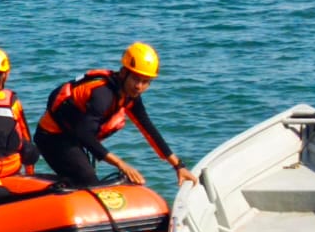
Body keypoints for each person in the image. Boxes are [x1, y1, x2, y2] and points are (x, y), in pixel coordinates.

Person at [34, 42, 199, 189]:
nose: (139, 86)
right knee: (89, 182)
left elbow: (149, 130)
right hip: (51, 137)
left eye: (146, 81)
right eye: (136, 78)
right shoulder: (103, 95)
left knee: (87, 178)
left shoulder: (129, 97)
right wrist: (121, 165)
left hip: (72, 136)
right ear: (123, 73)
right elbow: (84, 134)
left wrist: (178, 166)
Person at [0, 46, 39, 178]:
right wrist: (30, 176)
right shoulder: (14, 103)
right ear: (6, 74)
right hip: (12, 168)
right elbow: (26, 141)